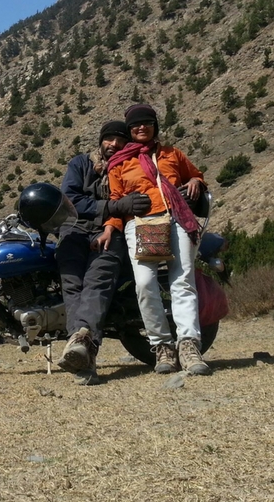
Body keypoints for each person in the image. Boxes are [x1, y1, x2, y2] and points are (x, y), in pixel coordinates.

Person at [98, 103, 211, 376]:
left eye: (147, 123)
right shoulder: (119, 163)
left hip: (177, 220)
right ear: (129, 129)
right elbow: (115, 201)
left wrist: (196, 180)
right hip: (140, 224)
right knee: (145, 284)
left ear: (155, 126)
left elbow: (195, 174)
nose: (141, 127)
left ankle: (189, 345)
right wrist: (110, 228)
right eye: (136, 124)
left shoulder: (172, 154)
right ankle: (161, 345)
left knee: (182, 280)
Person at [55, 120, 151, 384]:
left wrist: (115, 212)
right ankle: (83, 348)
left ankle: (81, 349)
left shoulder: (129, 167)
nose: (114, 145)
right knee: (72, 284)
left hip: (112, 231)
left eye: (120, 142)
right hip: (73, 230)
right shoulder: (80, 163)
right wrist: (114, 205)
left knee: (97, 282)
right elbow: (71, 199)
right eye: (110, 139)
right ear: (101, 140)